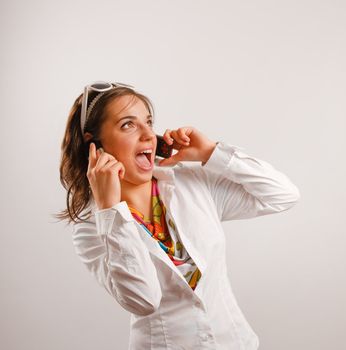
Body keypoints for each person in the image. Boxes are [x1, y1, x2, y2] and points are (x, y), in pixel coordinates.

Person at [57, 81, 301, 349]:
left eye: (148, 122)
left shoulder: (191, 182)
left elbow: (283, 195)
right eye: (128, 124)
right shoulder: (91, 227)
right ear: (95, 145)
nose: (148, 134)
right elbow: (143, 300)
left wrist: (211, 153)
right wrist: (110, 211)